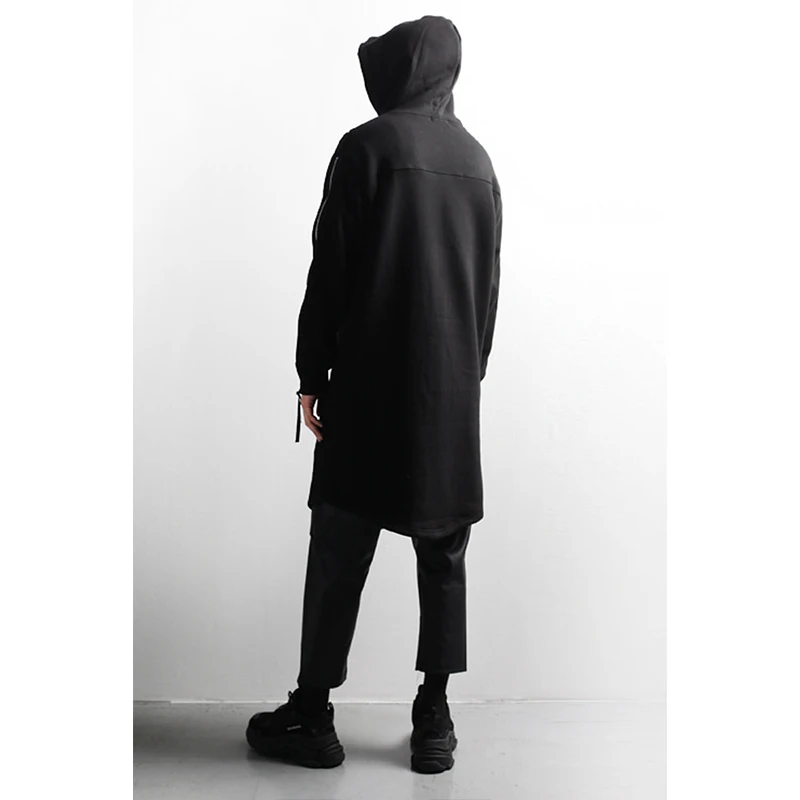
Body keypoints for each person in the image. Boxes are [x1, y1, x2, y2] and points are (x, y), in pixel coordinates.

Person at [246, 14, 502, 774]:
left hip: (365, 389)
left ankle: (312, 713)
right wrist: (465, 379)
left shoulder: (365, 147)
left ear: (398, 72)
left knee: (338, 546)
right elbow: (487, 294)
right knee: (443, 556)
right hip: (449, 394)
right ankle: (434, 719)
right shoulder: (480, 163)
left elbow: (330, 271)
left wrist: (311, 374)